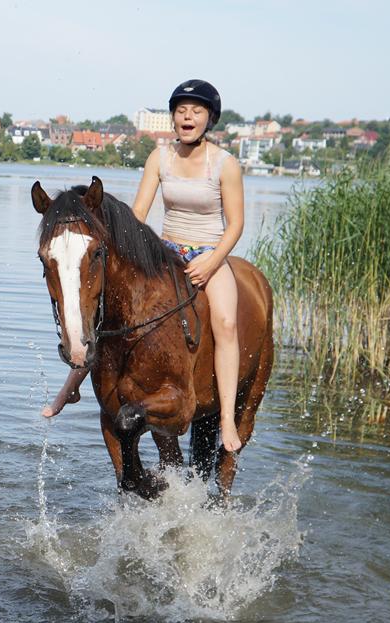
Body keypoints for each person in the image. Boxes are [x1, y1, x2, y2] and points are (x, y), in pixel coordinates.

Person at [42, 79, 245, 453]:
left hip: (209, 256)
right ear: (172, 118)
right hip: (165, 252)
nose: (188, 116)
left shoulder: (225, 164)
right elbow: (137, 216)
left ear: (209, 119)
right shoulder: (160, 158)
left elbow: (236, 225)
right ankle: (68, 391)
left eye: (196, 111)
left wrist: (213, 260)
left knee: (228, 324)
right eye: (181, 110)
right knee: (109, 311)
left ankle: (229, 419)